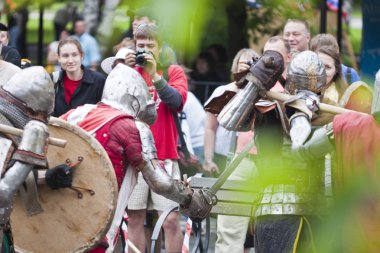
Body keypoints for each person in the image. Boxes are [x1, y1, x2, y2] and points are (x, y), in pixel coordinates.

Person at [60, 64, 213, 253]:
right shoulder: (132, 127)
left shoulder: (77, 112)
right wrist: (191, 200)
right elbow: (160, 182)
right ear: (135, 99)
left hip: (61, 212)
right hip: (95, 218)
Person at [123, 23, 188, 253]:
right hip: (134, 157)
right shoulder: (128, 71)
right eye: (141, 46)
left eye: (151, 46)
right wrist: (122, 67)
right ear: (134, 46)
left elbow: (176, 102)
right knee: (135, 219)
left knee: (169, 221)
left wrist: (155, 75)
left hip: (164, 157)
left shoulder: (172, 71)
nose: (146, 50)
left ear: (160, 48)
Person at [0, 66, 74, 253]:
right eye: (42, 117)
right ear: (28, 109)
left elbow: (7, 173)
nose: (42, 122)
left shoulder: (7, 127)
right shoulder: (2, 134)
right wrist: (28, 156)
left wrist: (46, 177)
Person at [52, 37, 106, 117]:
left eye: (74, 55)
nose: (70, 60)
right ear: (59, 58)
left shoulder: (98, 81)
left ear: (82, 56)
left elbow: (105, 113)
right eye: (65, 56)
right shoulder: (53, 80)